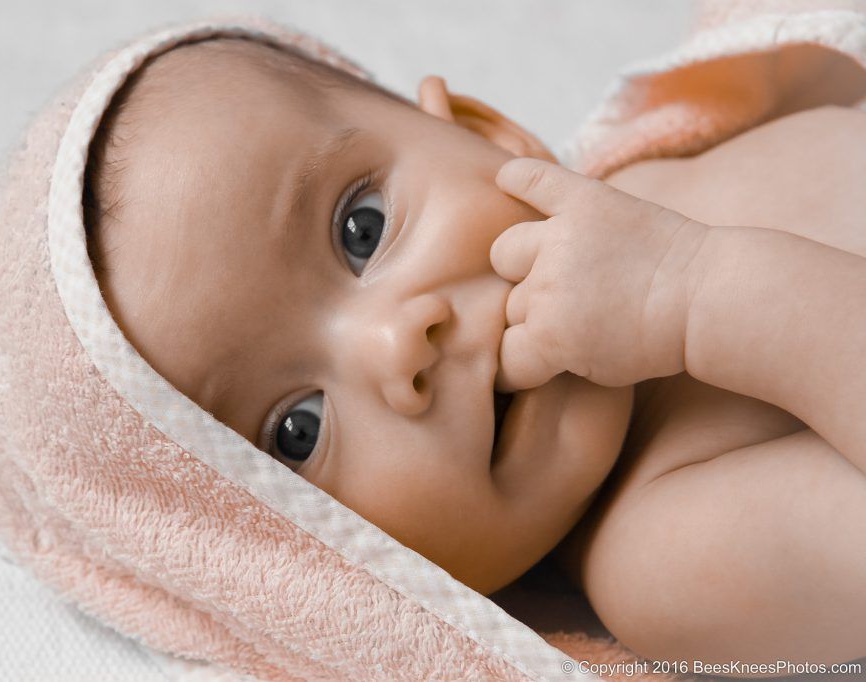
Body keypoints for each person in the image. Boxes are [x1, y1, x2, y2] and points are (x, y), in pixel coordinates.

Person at [82, 36, 866, 665]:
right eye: (298, 431)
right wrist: (699, 295)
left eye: (362, 231)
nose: (399, 347)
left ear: (479, 133)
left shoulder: (671, 160)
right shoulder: (667, 564)